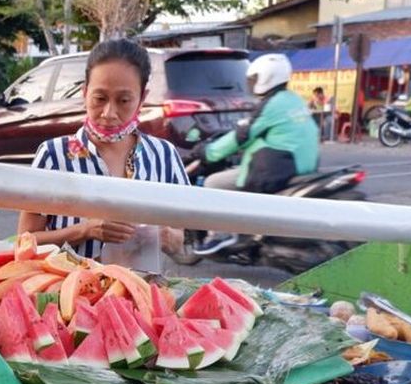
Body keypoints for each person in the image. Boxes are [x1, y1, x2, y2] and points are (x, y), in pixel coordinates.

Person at [17, 37, 188, 262]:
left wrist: (162, 236)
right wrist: (85, 231)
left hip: (141, 292)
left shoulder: (164, 156)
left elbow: (179, 242)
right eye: (100, 98)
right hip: (70, 293)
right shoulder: (53, 156)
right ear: (84, 92)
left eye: (124, 100)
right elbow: (24, 243)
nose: (109, 113)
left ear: (142, 99)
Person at [191, 53, 319, 255]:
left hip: (279, 166)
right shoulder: (293, 100)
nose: (251, 83)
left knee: (213, 183)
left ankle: (221, 234)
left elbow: (242, 136)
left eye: (254, 79)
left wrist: (207, 152)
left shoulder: (271, 104)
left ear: (267, 77)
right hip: (304, 164)